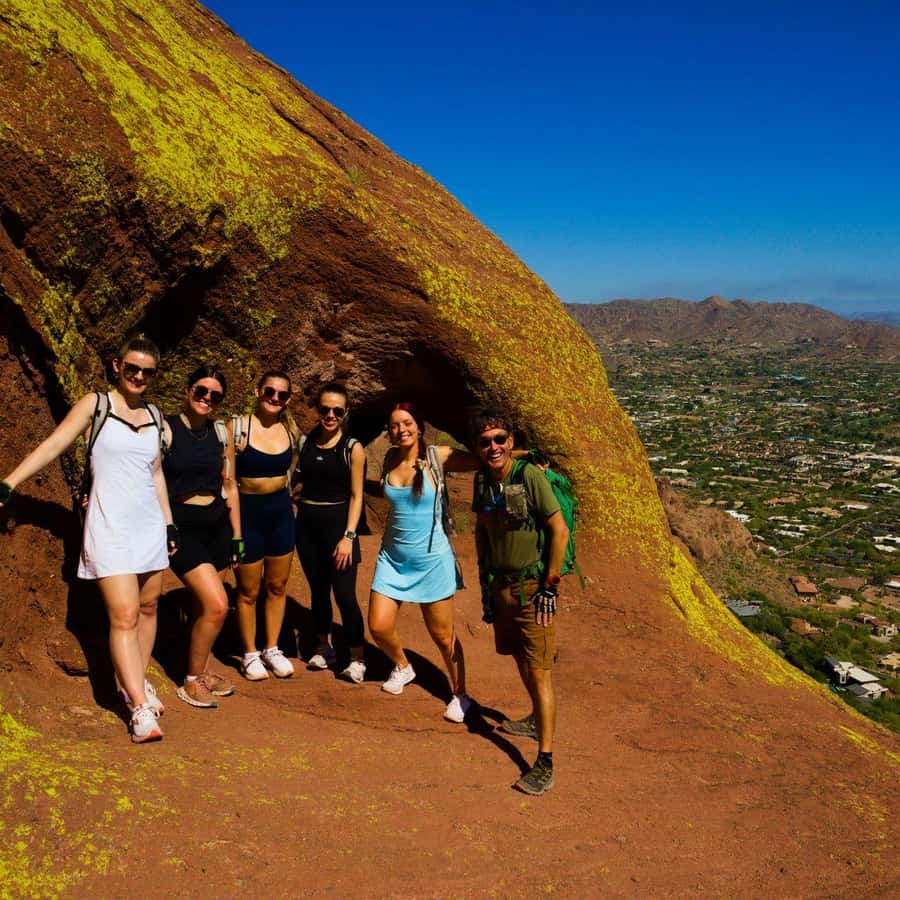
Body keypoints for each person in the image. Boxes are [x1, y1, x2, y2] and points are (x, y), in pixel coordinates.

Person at [0, 335, 176, 743]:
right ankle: (138, 707)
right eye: (132, 367)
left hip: (148, 524)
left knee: (149, 607)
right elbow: (55, 444)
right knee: (125, 615)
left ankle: (134, 680)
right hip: (109, 525)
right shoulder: (95, 405)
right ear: (117, 366)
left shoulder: (154, 414)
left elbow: (155, 475)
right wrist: (10, 482)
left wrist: (169, 523)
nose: (138, 376)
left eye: (147, 371)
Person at [471, 411, 569, 796]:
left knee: (540, 671)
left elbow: (558, 529)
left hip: (533, 591)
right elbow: (482, 530)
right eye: (484, 442)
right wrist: (484, 585)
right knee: (520, 660)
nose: (492, 446)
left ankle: (544, 761)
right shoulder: (483, 481)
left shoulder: (528, 477)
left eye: (499, 439)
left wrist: (551, 585)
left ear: (510, 441)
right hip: (502, 588)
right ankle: (533, 719)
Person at [368, 403, 475, 723]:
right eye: (395, 425)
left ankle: (460, 694)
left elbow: (487, 459)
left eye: (407, 423)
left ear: (419, 426)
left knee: (443, 636)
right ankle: (403, 666)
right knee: (378, 626)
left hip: (432, 561)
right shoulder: (388, 459)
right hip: (392, 558)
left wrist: (528, 459)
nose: (401, 429)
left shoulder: (436, 457)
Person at [162, 365, 243, 708]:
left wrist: (237, 534)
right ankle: (191, 681)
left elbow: (230, 485)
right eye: (200, 391)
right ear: (187, 390)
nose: (206, 399)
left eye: (214, 395)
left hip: (217, 527)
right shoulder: (165, 428)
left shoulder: (220, 434)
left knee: (201, 606)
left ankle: (204, 669)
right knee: (218, 605)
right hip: (182, 527)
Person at [293, 383, 367, 683]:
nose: (331, 415)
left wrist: (349, 536)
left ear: (345, 412)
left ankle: (358, 657)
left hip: (339, 527)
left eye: (337, 410)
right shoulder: (305, 443)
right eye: (325, 409)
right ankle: (325, 647)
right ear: (317, 410)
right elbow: (292, 480)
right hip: (308, 526)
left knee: (346, 596)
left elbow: (357, 495)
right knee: (318, 592)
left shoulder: (352, 448)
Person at [231, 370, 299, 680]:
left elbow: (293, 474)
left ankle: (271, 647)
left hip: (281, 513)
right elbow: (228, 480)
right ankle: (249, 653)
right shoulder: (239, 427)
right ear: (258, 391)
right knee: (248, 589)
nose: (275, 398)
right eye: (270, 391)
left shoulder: (290, 431)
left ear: (288, 399)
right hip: (249, 513)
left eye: (281, 395)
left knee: (277, 585)